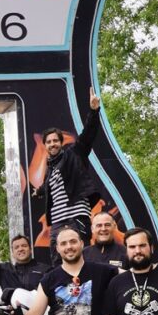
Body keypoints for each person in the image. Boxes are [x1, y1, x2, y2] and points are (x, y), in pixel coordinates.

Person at [31, 88, 102, 261]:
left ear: (61, 143)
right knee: (58, 261)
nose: (52, 144)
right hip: (57, 222)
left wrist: (93, 111)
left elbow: (87, 137)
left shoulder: (73, 154)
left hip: (75, 218)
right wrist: (39, 191)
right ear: (45, 145)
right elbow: (49, 183)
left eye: (56, 140)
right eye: (49, 142)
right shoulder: (51, 168)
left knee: (81, 259)